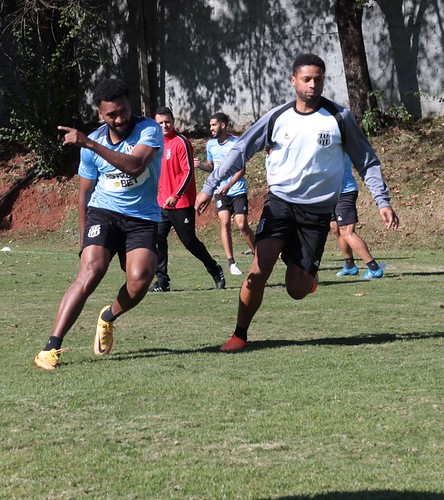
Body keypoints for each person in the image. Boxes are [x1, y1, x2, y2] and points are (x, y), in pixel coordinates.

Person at [194, 53, 399, 352]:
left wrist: (382, 199)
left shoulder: (339, 118)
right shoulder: (277, 117)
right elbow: (240, 151)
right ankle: (239, 334)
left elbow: (366, 161)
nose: (313, 85)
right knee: (257, 272)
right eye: (306, 79)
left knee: (297, 289)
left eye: (318, 79)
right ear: (294, 81)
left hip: (316, 213)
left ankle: (303, 272)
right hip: (280, 204)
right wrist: (210, 187)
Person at [34, 78, 164, 370]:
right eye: (112, 115)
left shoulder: (149, 130)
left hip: (142, 217)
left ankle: (108, 316)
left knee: (140, 280)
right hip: (103, 212)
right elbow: (84, 195)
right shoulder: (91, 144)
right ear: (100, 115)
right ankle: (50, 348)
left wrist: (89, 142)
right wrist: (84, 241)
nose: (120, 119)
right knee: (91, 271)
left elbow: (135, 165)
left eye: (124, 111)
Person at [148, 107, 226, 292]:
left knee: (189, 241)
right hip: (161, 203)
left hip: (180, 202)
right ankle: (162, 281)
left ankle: (214, 268)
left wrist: (176, 195)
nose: (164, 125)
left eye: (167, 121)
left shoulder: (181, 142)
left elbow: (189, 171)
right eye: (160, 123)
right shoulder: (155, 143)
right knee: (157, 238)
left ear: (173, 122)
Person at [205, 112, 256, 275]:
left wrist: (229, 185)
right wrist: (200, 166)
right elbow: (211, 167)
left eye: (213, 125)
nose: (210, 128)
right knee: (225, 222)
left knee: (241, 224)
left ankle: (258, 254)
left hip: (237, 190)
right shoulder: (210, 145)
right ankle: (231, 263)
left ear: (223, 125)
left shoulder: (236, 143)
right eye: (210, 125)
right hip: (220, 192)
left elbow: (242, 169)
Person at [331, 154, 385, 279]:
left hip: (345, 191)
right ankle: (350, 266)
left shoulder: (340, 137)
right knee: (335, 228)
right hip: (329, 192)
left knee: (346, 230)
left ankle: (374, 268)